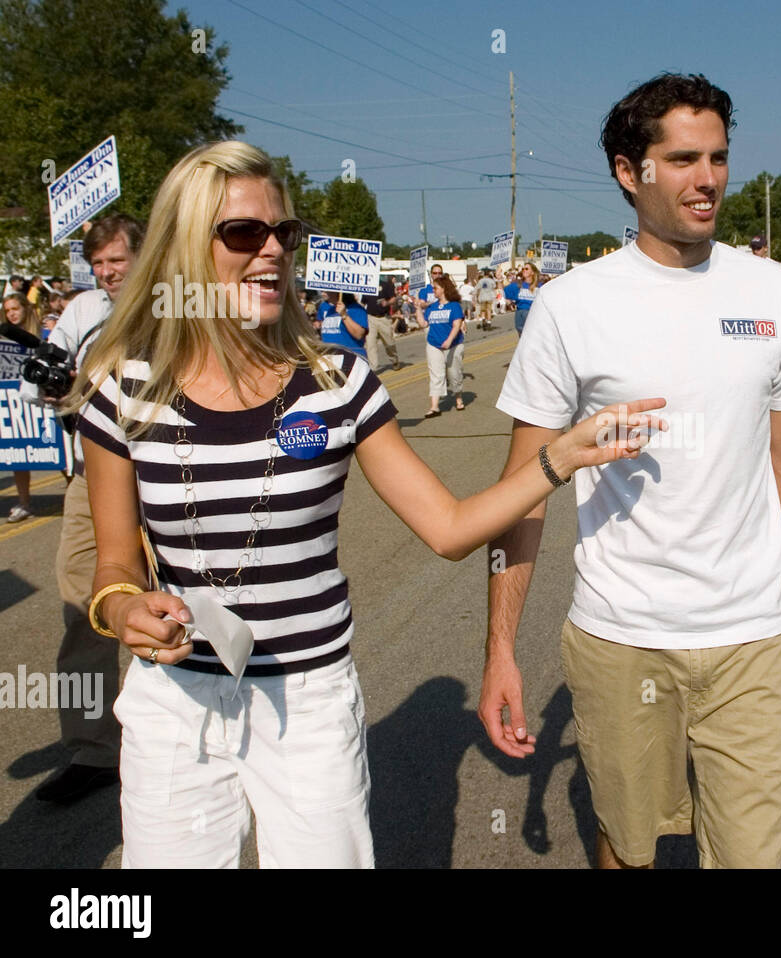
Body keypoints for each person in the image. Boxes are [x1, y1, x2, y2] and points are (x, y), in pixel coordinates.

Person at [65, 140, 662, 868]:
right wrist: (123, 608)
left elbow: (447, 529)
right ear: (187, 248)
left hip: (307, 702)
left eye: (285, 233)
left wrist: (559, 456)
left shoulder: (336, 380)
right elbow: (116, 563)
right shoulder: (122, 387)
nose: (273, 252)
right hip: (175, 706)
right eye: (244, 233)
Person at [479, 73, 781, 870]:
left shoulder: (772, 291)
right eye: (681, 160)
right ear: (628, 172)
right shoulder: (571, 306)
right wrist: (500, 649)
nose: (707, 179)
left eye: (718, 158)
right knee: (629, 849)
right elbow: (521, 493)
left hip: (752, 637)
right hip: (621, 637)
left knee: (751, 857)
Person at [18, 213, 144, 802]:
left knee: (178, 602)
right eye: (97, 265)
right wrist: (45, 378)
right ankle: (93, 750)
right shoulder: (82, 309)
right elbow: (41, 375)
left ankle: (189, 728)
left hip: (163, 473)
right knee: (83, 609)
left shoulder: (176, 304)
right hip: (88, 478)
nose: (105, 274)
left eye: (115, 261)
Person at [3, 292, 41, 521]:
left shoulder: (41, 336)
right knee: (19, 455)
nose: (11, 314)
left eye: (15, 308)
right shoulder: (4, 340)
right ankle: (24, 502)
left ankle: (75, 495)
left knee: (59, 456)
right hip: (14, 406)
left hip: (41, 403)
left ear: (25, 308)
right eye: (7, 310)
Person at [420, 273, 466, 416]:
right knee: (436, 374)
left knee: (454, 374)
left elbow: (457, 325)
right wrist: (417, 309)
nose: (433, 291)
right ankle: (434, 407)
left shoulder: (454, 306)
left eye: (435, 288)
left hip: (453, 345)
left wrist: (449, 341)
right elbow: (423, 323)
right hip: (434, 344)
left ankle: (458, 397)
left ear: (443, 289)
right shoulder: (432, 307)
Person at [362, 274, 403, 372]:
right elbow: (363, 302)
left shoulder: (386, 285)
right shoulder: (367, 287)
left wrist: (387, 303)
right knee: (370, 344)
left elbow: (393, 298)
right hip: (371, 317)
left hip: (384, 318)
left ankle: (394, 360)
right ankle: (373, 368)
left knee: (389, 343)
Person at [319, 291, 368, 358]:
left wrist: (344, 315)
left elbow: (359, 334)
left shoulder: (356, 309)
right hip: (329, 357)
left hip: (350, 357)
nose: (323, 294)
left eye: (328, 292)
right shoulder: (330, 310)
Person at [503, 261, 540, 337]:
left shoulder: (539, 286)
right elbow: (504, 293)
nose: (524, 270)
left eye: (526, 269)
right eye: (523, 269)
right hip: (520, 313)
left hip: (533, 313)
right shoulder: (517, 284)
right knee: (522, 338)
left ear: (532, 272)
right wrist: (499, 280)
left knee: (531, 337)